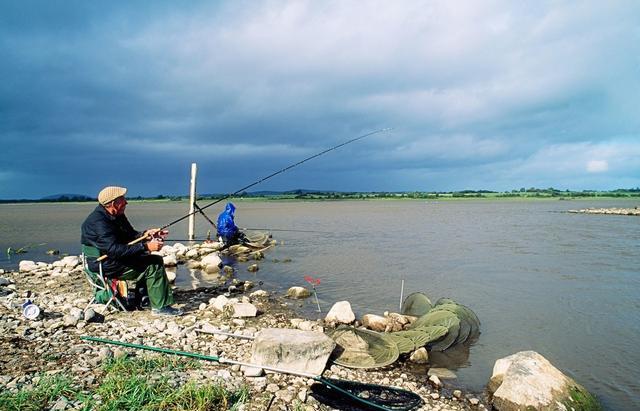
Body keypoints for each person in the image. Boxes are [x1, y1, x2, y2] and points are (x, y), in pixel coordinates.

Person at [81, 186, 182, 316]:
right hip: (104, 264)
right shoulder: (98, 222)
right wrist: (146, 247)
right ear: (113, 203)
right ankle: (160, 308)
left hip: (111, 259)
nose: (126, 202)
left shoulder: (116, 214)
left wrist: (147, 234)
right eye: (123, 199)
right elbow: (113, 250)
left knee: (147, 258)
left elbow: (131, 235)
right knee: (154, 263)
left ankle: (144, 299)